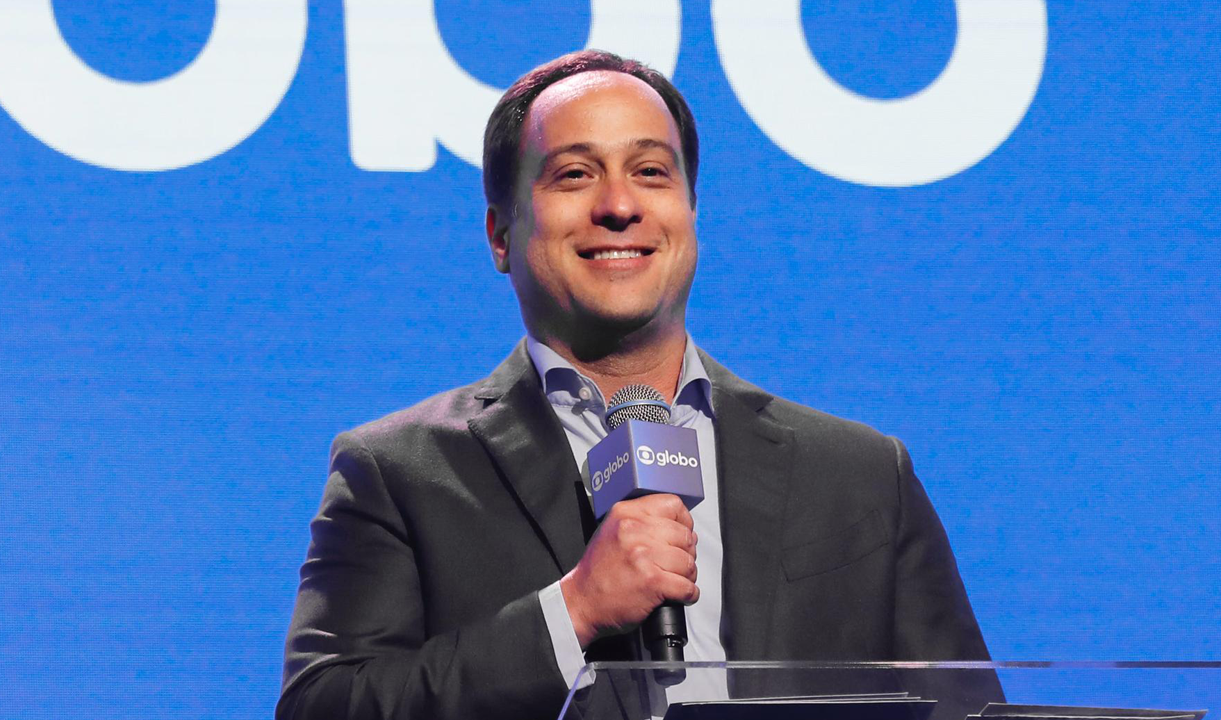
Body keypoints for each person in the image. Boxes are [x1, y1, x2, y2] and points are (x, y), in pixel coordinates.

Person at [278, 50, 992, 720]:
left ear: (690, 215)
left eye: (652, 172)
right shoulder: (399, 470)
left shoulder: (861, 476)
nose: (619, 204)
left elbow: (966, 710)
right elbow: (325, 705)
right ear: (500, 234)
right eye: (574, 175)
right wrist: (573, 612)